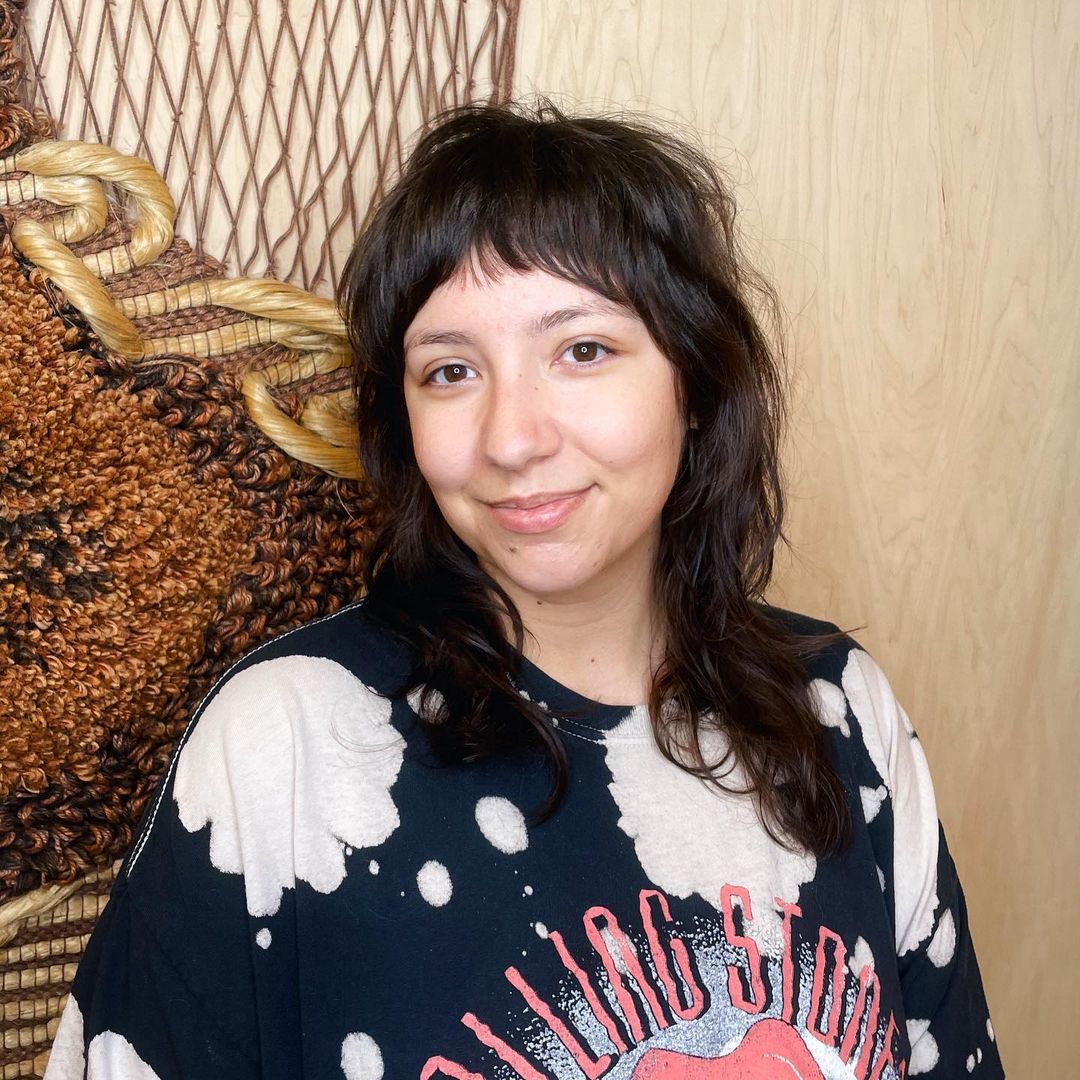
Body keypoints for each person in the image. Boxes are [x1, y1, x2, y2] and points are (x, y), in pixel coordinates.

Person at [45, 100, 1003, 1079]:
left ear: (697, 382)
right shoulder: (291, 742)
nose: (511, 438)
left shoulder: (839, 710)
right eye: (450, 371)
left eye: (582, 351)